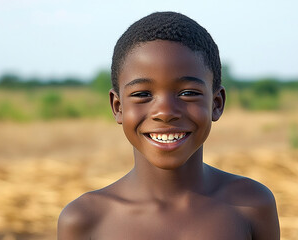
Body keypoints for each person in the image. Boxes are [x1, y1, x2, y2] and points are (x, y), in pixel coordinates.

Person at [57, 11, 280, 240]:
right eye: (143, 94)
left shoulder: (251, 206)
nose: (165, 112)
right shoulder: (85, 220)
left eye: (188, 93)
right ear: (118, 107)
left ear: (216, 103)